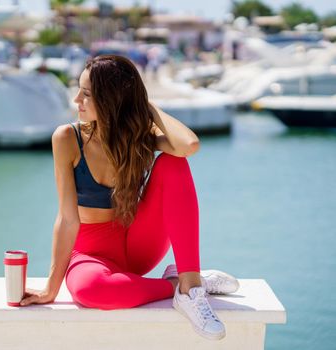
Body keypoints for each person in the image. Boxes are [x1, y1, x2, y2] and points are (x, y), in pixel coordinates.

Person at [19, 55, 239, 340]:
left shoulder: (137, 137)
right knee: (90, 291)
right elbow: (67, 218)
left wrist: (143, 105)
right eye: (79, 90)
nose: (76, 100)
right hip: (90, 255)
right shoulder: (67, 138)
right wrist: (51, 287)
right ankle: (182, 283)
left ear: (111, 99)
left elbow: (188, 145)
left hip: (137, 245)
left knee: (174, 164)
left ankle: (189, 284)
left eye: (86, 94)